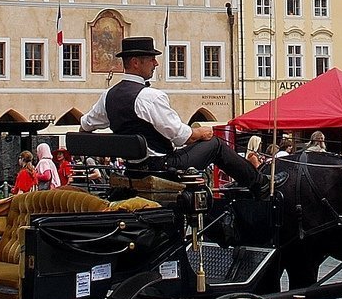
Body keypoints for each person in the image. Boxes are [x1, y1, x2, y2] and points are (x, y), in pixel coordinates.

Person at [80, 37, 262, 189]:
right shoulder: (150, 97)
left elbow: (85, 125)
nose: (156, 63)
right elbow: (181, 137)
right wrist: (201, 132)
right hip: (162, 167)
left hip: (132, 168)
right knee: (216, 145)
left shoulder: (108, 96)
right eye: (151, 59)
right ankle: (259, 183)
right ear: (136, 62)